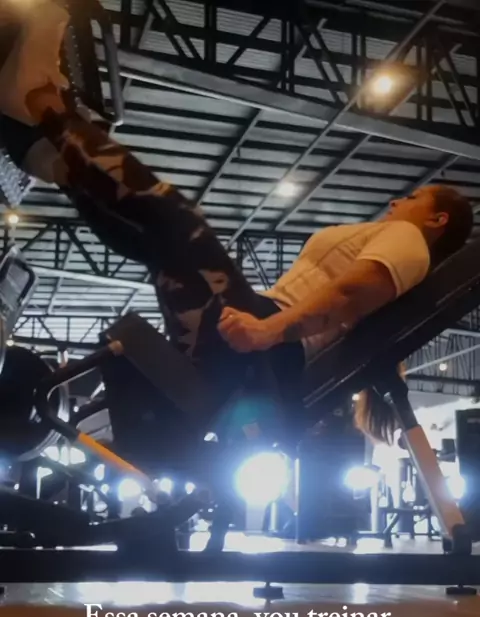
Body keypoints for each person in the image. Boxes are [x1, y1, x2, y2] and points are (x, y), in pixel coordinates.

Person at [0, 0, 474, 439]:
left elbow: (352, 294)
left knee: (178, 225)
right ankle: (50, 157)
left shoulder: (410, 240)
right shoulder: (405, 246)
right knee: (160, 243)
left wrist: (271, 329)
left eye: (414, 197)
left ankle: (40, 99)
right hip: (253, 347)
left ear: (436, 219)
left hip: (263, 344)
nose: (397, 202)